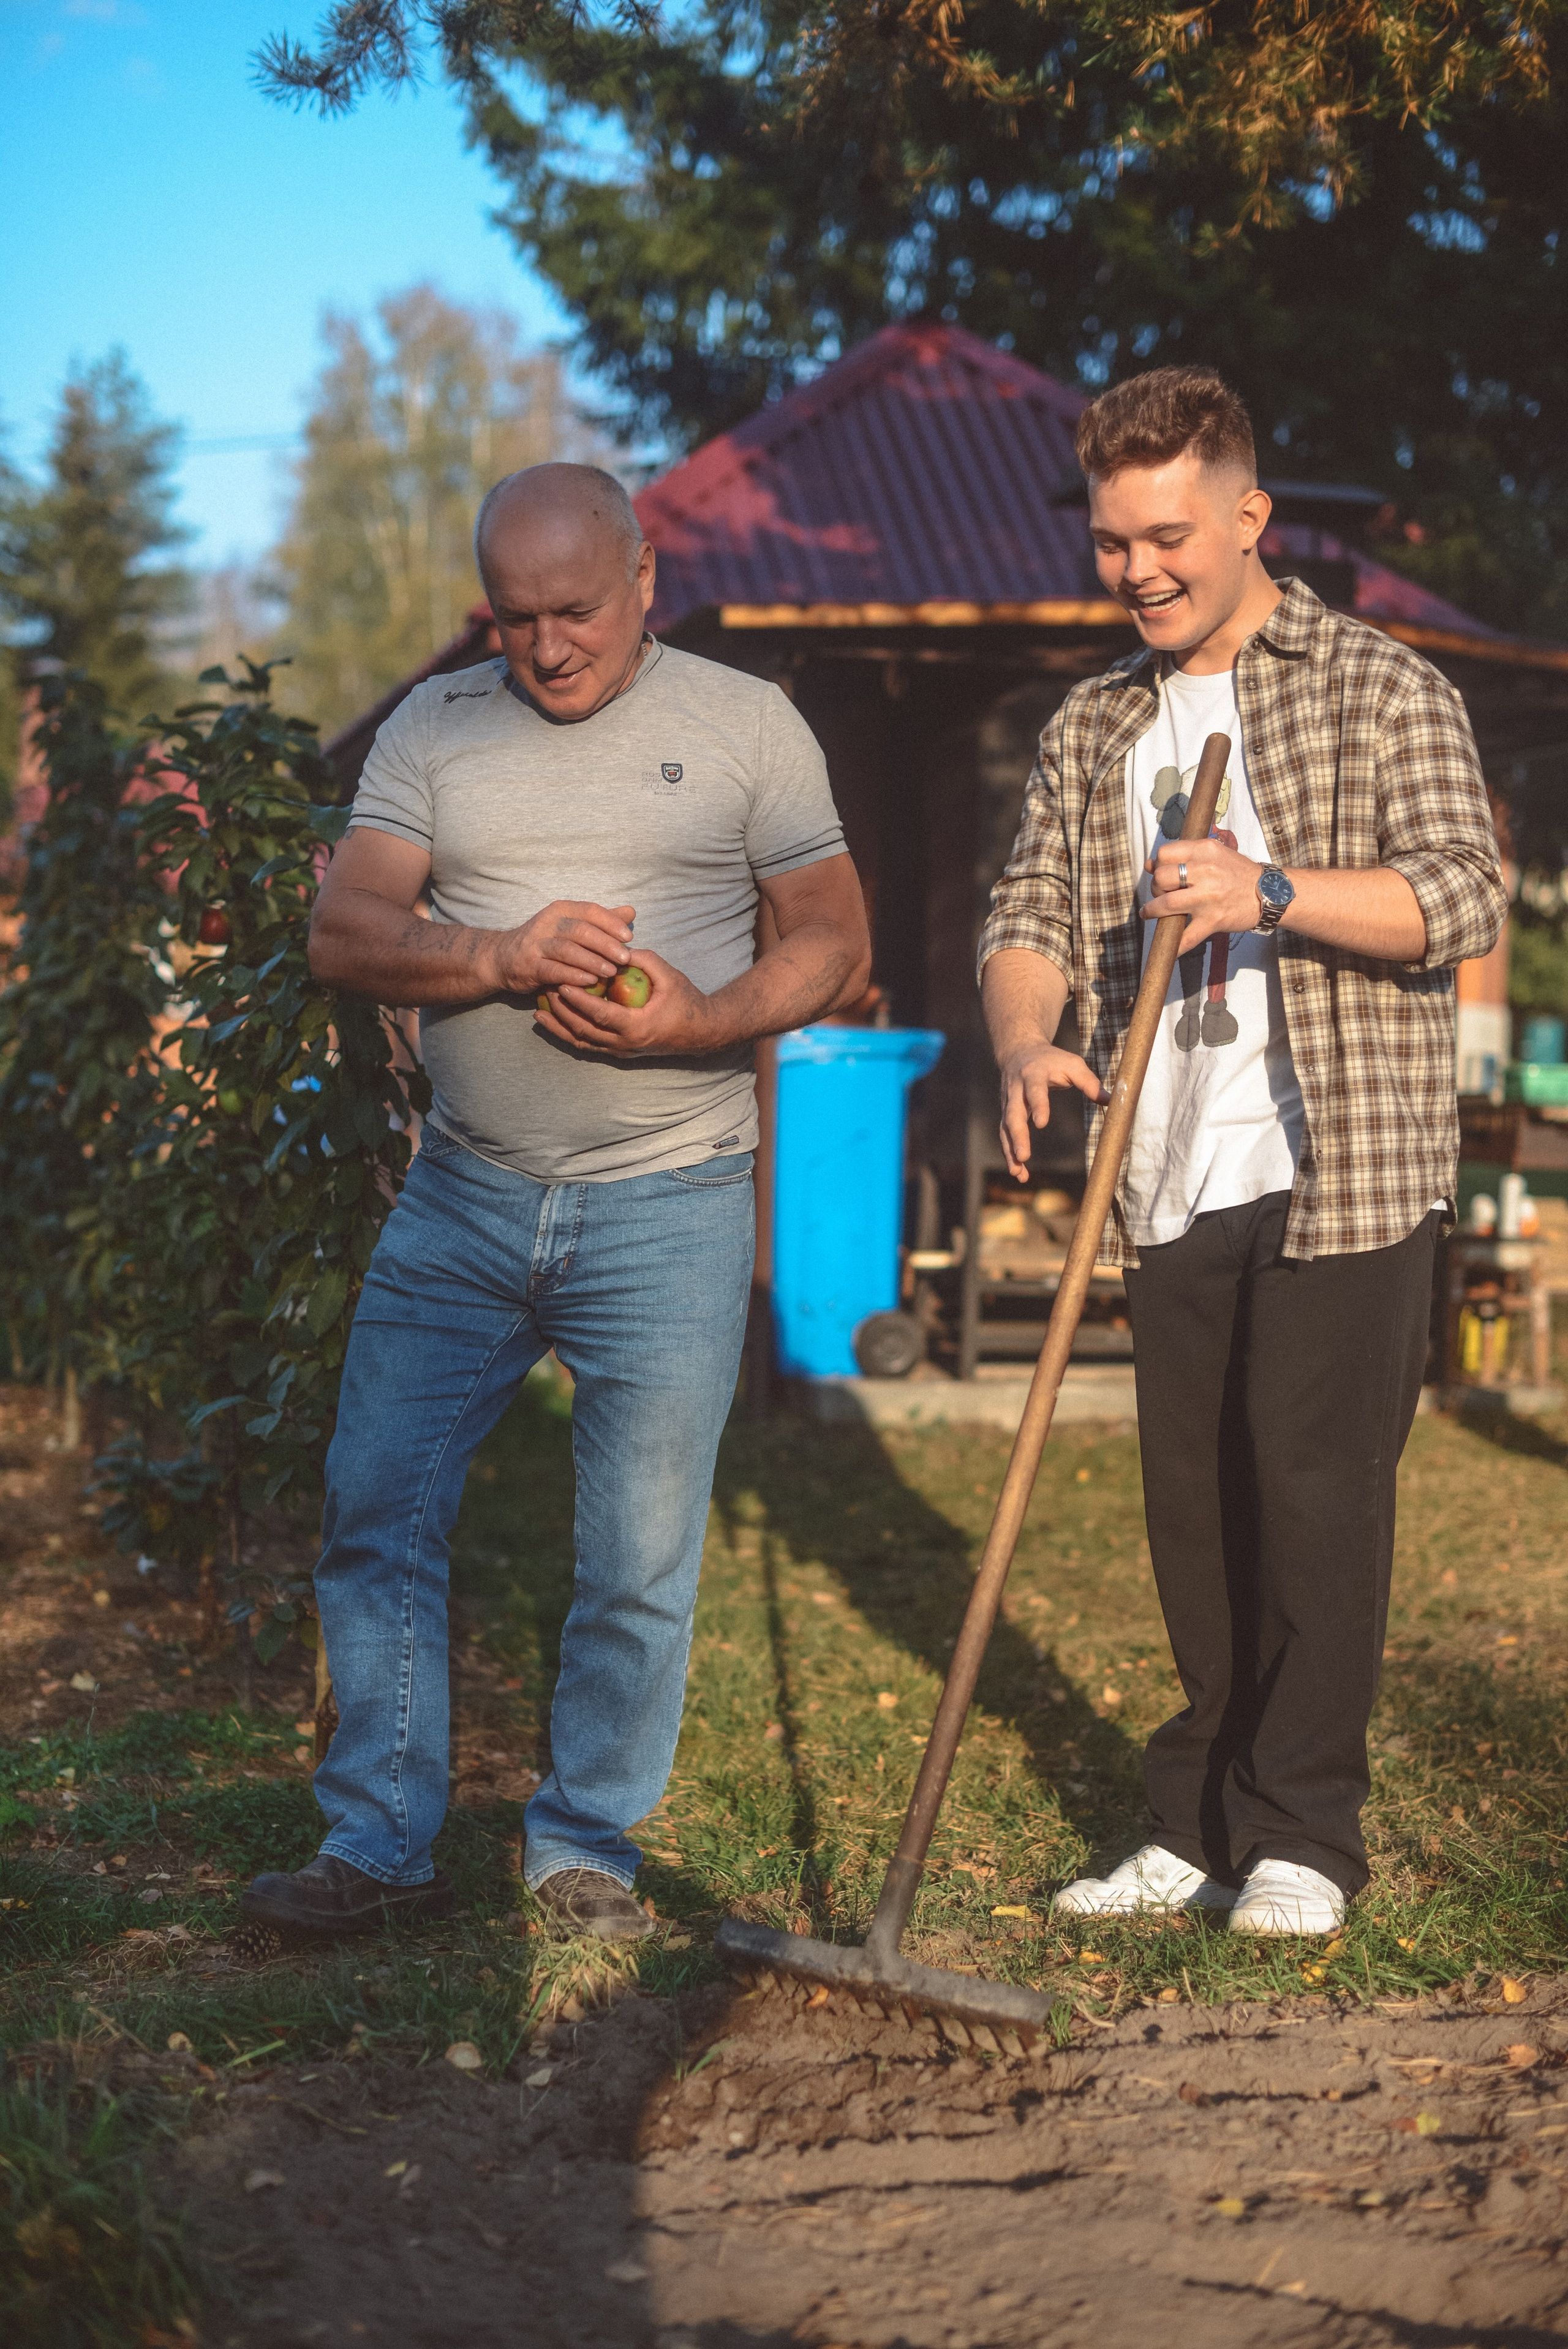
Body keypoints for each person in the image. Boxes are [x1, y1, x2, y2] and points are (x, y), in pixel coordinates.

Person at [241, 463, 869, 1944]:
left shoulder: (745, 724)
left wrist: (704, 1018)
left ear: (644, 575)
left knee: (635, 1558)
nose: (547, 648)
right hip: (460, 1201)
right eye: (514, 619)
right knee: (376, 1504)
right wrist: (501, 955)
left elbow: (835, 937)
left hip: (671, 1202)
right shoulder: (435, 727)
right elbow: (346, 931)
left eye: (574, 610)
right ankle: (380, 1840)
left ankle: (583, 1848)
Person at [979, 369, 1504, 1935]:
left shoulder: (1378, 687)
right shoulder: (1094, 725)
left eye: (1166, 537)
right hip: (1166, 1163)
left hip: (1340, 1161)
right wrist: (1025, 1037)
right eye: (1111, 543)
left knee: (1312, 1492)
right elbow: (1027, 920)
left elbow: (1462, 896)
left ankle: (1302, 1837)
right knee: (1193, 1506)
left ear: (1246, 517)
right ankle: (1194, 1825)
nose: (1137, 570)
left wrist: (1267, 890)